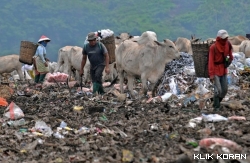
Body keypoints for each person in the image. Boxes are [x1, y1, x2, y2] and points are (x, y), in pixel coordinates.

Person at [208, 29, 233, 111]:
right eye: (223, 38)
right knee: (218, 90)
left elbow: (230, 55)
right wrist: (211, 74)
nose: (225, 40)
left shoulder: (228, 44)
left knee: (225, 90)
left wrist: (229, 60)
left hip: (224, 69)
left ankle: (216, 101)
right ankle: (216, 107)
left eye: (226, 38)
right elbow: (211, 61)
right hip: (215, 70)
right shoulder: (213, 47)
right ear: (219, 38)